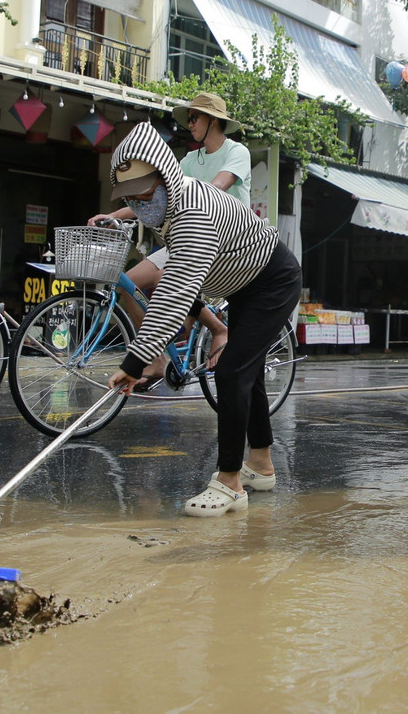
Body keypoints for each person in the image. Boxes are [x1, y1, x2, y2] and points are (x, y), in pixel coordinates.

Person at [105, 123, 301, 518]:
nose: (141, 204)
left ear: (166, 178)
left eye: (146, 194)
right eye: (132, 198)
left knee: (230, 371)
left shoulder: (193, 211)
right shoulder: (167, 209)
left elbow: (174, 293)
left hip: (272, 281)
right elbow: (182, 275)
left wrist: (134, 362)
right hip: (243, 285)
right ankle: (261, 465)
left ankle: (229, 483)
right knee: (248, 374)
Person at [87, 93, 244, 374]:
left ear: (213, 120)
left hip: (220, 238)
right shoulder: (189, 160)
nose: (190, 124)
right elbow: (154, 195)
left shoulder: (236, 152)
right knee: (128, 283)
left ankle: (218, 328)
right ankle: (156, 358)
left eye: (195, 118)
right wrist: (113, 216)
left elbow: (215, 190)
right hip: (183, 236)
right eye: (189, 119)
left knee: (167, 279)